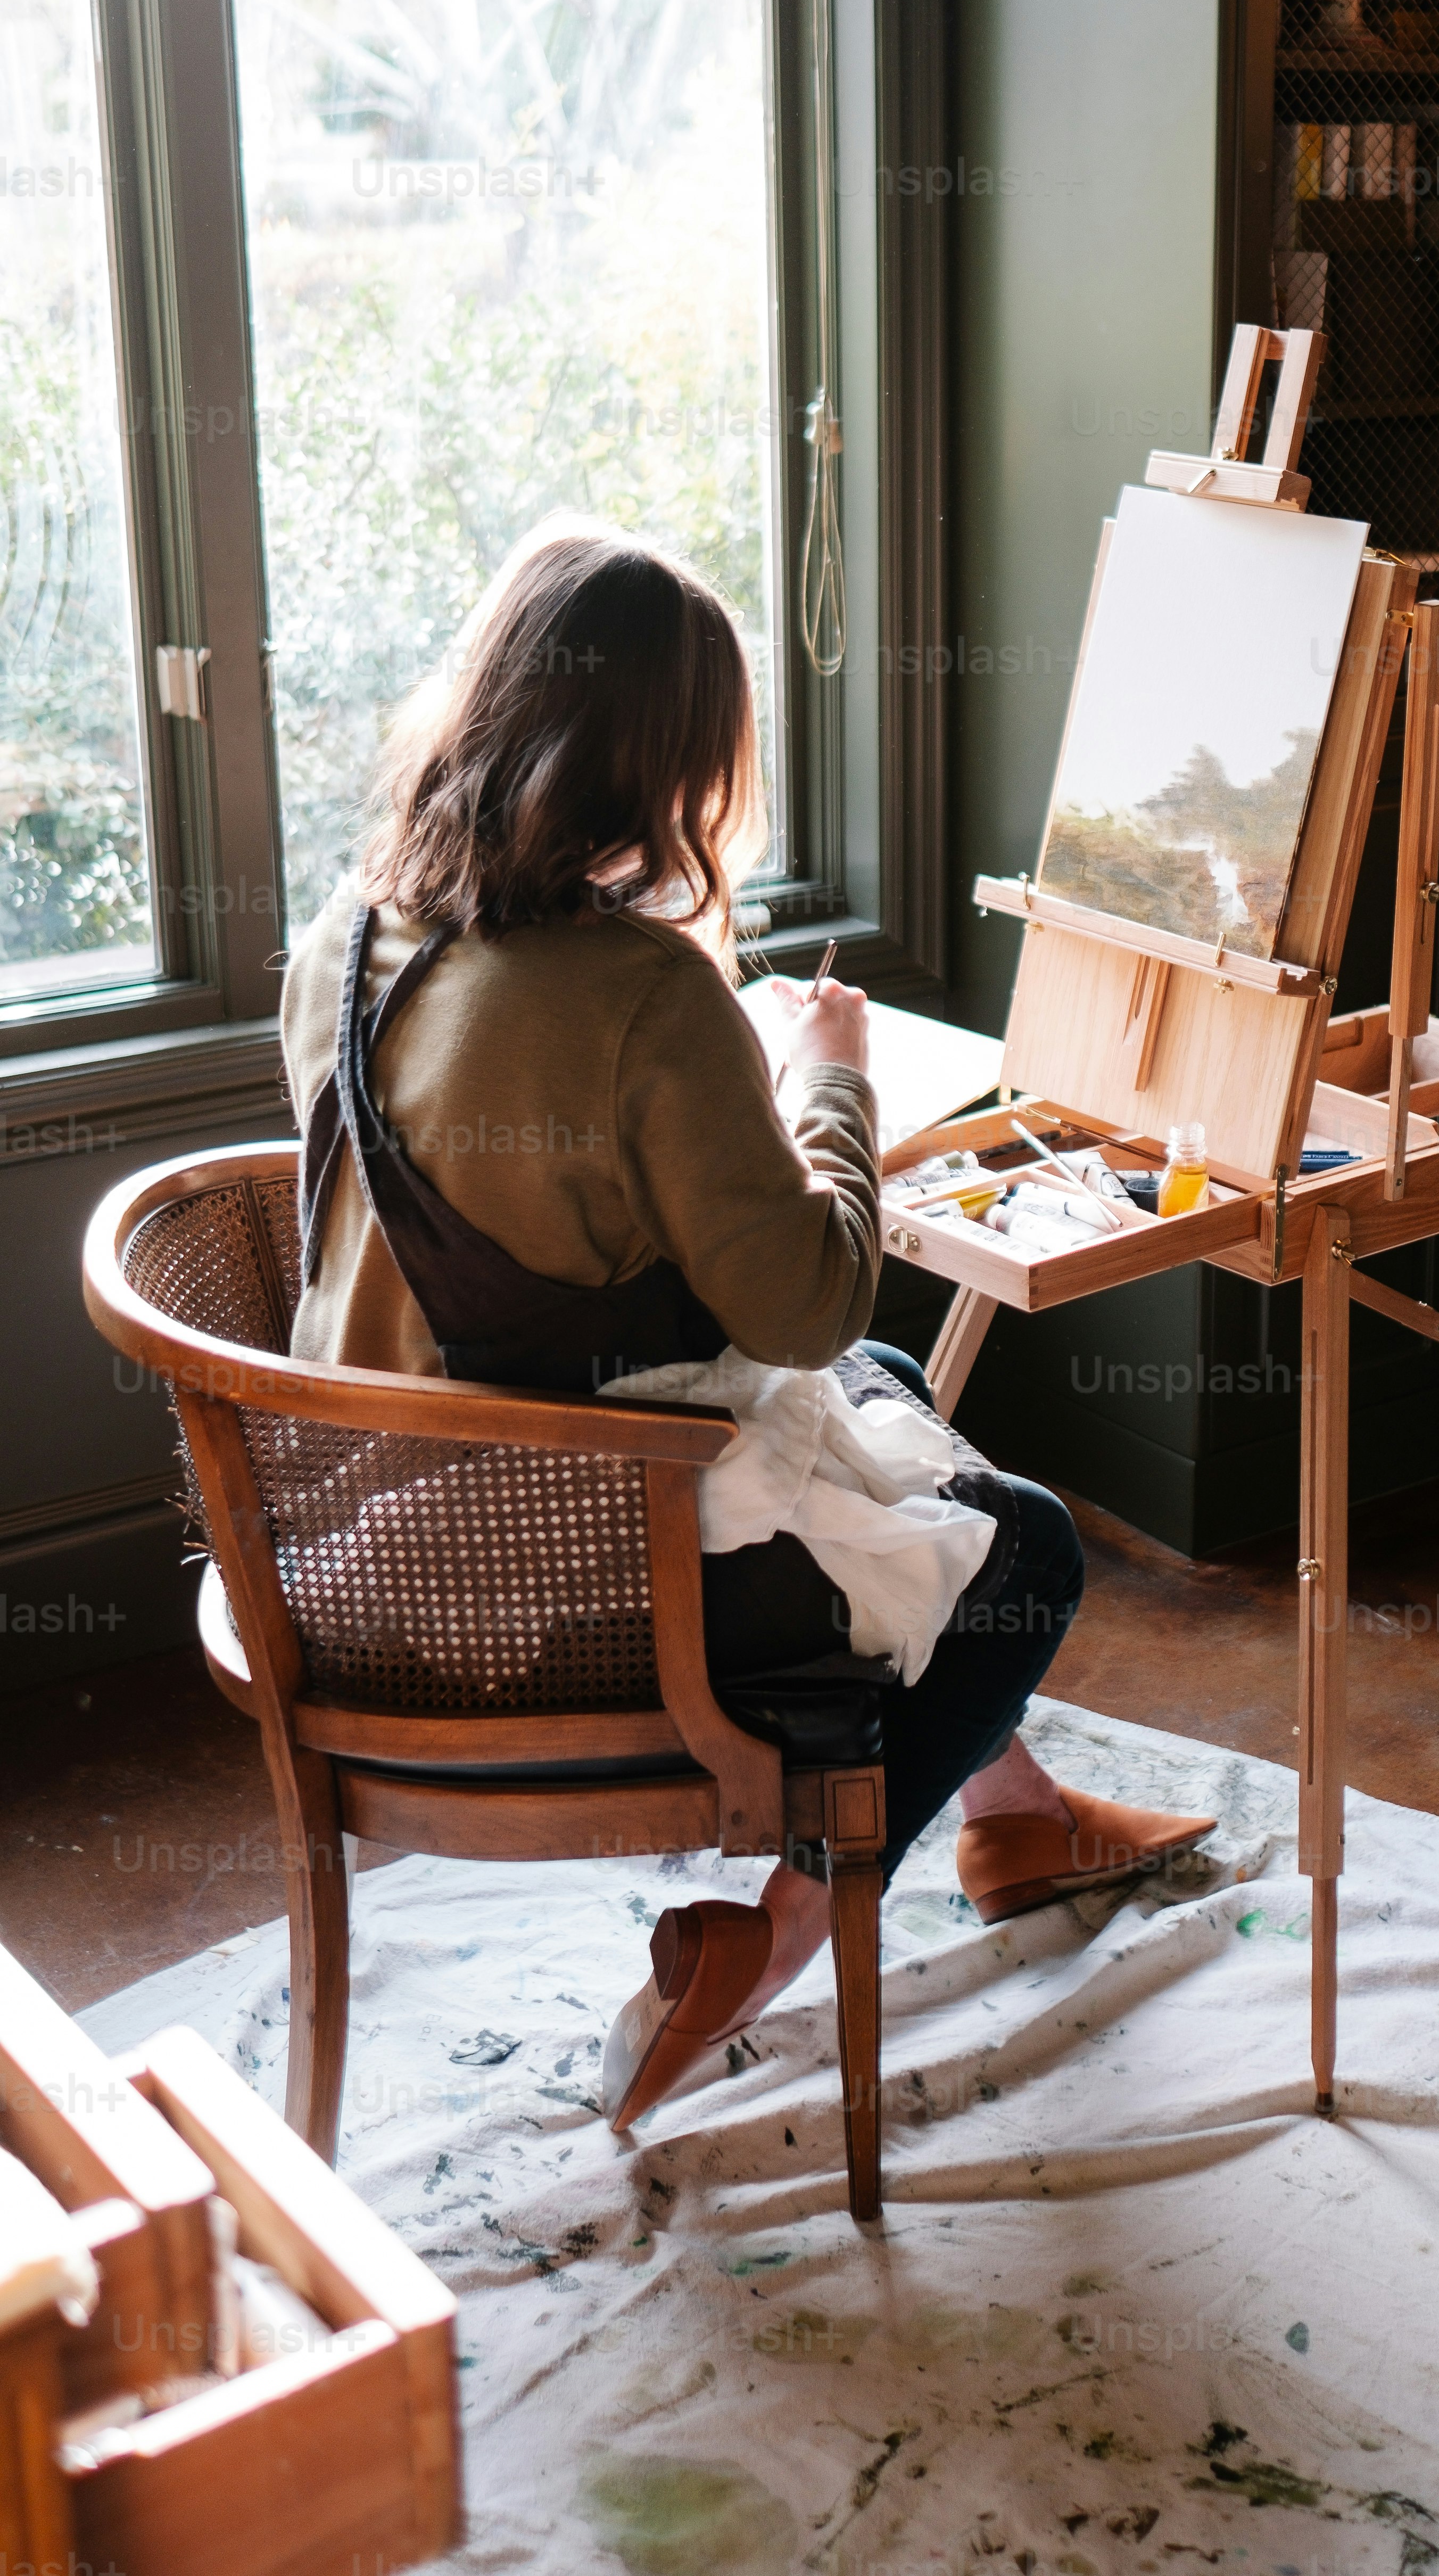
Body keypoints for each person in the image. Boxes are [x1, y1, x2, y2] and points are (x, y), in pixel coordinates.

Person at [280, 517, 1211, 2131]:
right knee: (1030, 1549)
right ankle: (774, 1937)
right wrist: (829, 1080)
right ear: (670, 764)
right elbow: (809, 1297)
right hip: (565, 1567)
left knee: (895, 1389)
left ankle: (1016, 1816)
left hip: (368, 1516)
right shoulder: (644, 994)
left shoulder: (349, 936)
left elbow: (503, 1213)